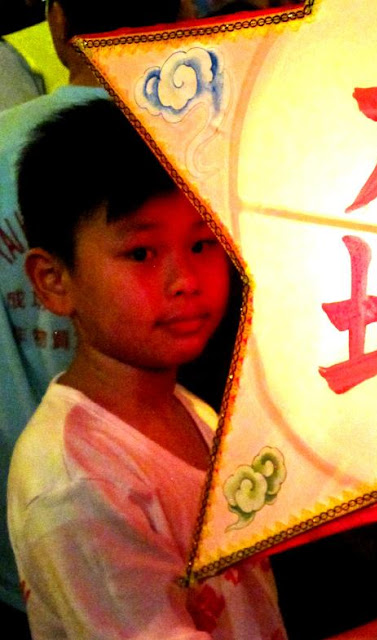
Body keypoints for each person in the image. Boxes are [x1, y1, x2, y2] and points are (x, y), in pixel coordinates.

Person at [7, 98, 287, 640]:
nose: (187, 281)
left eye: (203, 242)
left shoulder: (190, 409)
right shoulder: (76, 485)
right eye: (142, 254)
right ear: (54, 281)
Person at [0, 0, 181, 629]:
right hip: (205, 501)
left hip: (22, 521)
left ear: (57, 20)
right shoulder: (207, 138)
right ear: (180, 14)